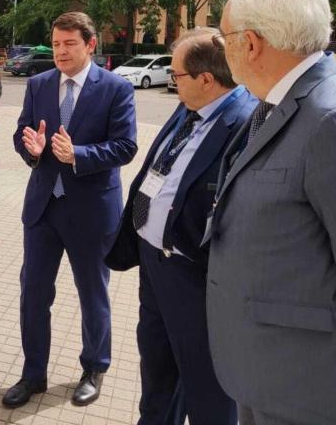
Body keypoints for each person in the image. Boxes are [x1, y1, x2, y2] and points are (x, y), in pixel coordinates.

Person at [204, 0, 336, 425]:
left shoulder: (334, 118)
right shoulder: (283, 101)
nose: (222, 49)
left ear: (253, 43)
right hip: (268, 372)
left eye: (225, 37)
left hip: (307, 390)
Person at [106, 28, 255, 425]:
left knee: (206, 388)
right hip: (154, 266)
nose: (172, 81)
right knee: (157, 371)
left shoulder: (246, 123)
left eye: (176, 75)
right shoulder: (189, 106)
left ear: (206, 79)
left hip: (195, 278)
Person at [3, 12, 138, 408]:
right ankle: (33, 375)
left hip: (92, 211)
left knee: (92, 293)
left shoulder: (115, 89)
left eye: (69, 44)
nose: (60, 52)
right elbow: (21, 131)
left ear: (90, 45)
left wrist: (76, 154)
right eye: (56, 44)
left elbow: (125, 146)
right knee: (33, 292)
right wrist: (31, 148)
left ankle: (94, 367)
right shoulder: (39, 84)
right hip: (44, 207)